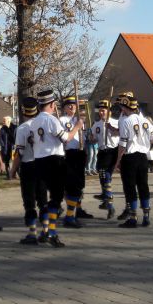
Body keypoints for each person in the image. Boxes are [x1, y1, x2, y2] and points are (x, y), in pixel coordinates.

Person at [31, 89, 83, 247]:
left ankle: (45, 231)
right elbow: (66, 138)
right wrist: (77, 127)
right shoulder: (52, 120)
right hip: (54, 161)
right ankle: (52, 232)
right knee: (57, 197)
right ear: (52, 104)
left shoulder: (34, 122)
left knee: (46, 199)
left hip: (38, 161)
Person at [10, 97, 49, 245]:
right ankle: (46, 230)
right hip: (42, 163)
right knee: (43, 200)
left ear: (23, 110)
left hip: (28, 166)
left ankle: (32, 232)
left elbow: (19, 152)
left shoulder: (22, 129)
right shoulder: (42, 124)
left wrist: (13, 169)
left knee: (30, 200)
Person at [115, 95, 153, 228]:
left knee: (130, 187)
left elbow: (122, 144)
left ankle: (133, 218)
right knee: (143, 185)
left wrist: (118, 160)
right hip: (143, 157)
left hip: (130, 157)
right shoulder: (145, 121)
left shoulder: (126, 121)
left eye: (122, 106)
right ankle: (146, 216)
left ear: (125, 107)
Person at [59, 96, 93, 228]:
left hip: (80, 154)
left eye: (74, 105)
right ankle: (69, 215)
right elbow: (65, 139)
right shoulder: (62, 120)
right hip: (70, 154)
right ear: (64, 108)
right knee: (72, 185)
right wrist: (77, 126)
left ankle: (77, 210)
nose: (72, 107)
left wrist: (89, 137)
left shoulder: (80, 119)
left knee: (79, 184)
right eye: (69, 105)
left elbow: (85, 138)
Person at [91, 99, 119, 219]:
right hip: (102, 151)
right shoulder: (96, 124)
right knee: (104, 177)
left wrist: (111, 128)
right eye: (100, 111)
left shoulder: (116, 122)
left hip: (112, 151)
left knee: (105, 173)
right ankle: (109, 204)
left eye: (103, 110)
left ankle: (106, 195)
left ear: (109, 111)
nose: (101, 113)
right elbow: (94, 139)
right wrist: (91, 138)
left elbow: (120, 134)